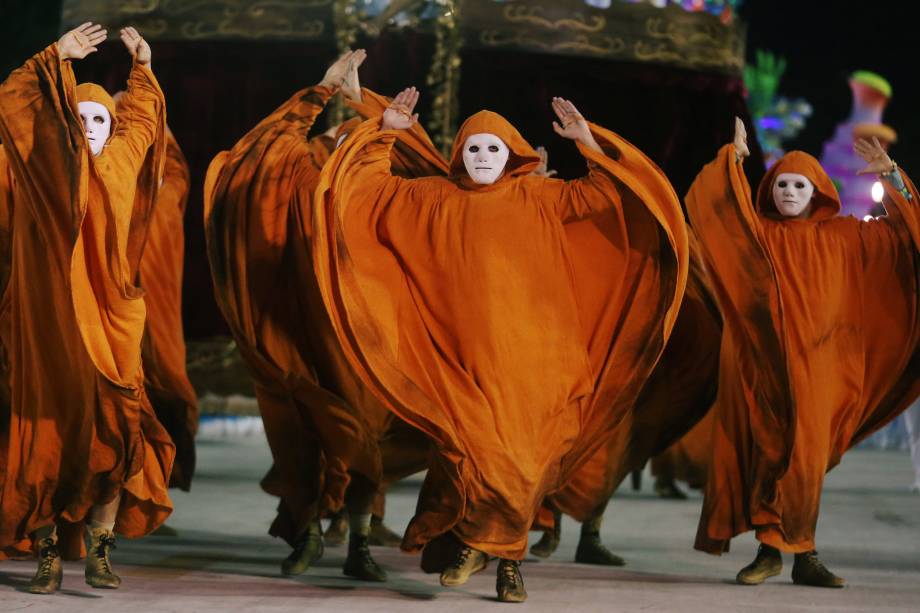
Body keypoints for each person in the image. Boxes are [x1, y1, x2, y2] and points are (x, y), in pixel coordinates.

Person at [312, 88, 688, 602]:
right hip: (461, 362)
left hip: (540, 364)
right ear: (459, 155)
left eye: (493, 149)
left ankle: (500, 557)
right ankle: (490, 549)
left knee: (523, 465)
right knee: (478, 455)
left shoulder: (542, 197)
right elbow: (366, 193)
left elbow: (611, 195)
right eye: (473, 149)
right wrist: (385, 135)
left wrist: (588, 142)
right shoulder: (430, 198)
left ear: (513, 155)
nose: (484, 158)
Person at [204, 51, 443, 582]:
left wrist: (372, 117)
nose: (344, 141)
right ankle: (308, 534)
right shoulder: (297, 174)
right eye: (336, 137)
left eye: (353, 137)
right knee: (298, 442)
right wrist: (323, 91)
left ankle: (358, 543)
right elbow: (261, 150)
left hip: (359, 339)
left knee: (363, 441)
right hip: (295, 334)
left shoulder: (374, 177)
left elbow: (430, 173)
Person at [686, 118, 920, 587]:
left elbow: (905, 236)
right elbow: (717, 215)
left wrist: (890, 175)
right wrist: (732, 161)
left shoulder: (846, 237)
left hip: (820, 373)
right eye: (781, 184)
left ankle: (799, 550)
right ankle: (775, 550)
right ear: (769, 190)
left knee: (805, 459)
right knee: (769, 455)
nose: (789, 192)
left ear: (817, 192)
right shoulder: (758, 236)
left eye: (799, 185)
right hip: (763, 370)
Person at [0, 23, 175, 593]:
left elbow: (144, 118)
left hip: (112, 326)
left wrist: (142, 69)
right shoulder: (42, 172)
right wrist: (54, 56)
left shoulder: (123, 160)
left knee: (117, 437)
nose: (89, 126)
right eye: (78, 116)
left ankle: (100, 550)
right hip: (51, 329)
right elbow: (14, 103)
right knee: (51, 441)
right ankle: (48, 553)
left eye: (99, 117)